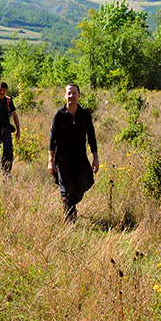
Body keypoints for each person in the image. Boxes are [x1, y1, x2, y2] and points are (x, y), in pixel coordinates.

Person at [48, 83, 99, 222]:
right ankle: (70, 218)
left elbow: (92, 137)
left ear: (79, 95)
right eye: (69, 93)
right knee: (66, 188)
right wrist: (51, 161)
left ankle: (69, 204)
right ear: (65, 95)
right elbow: (52, 139)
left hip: (80, 157)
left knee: (83, 185)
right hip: (63, 157)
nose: (71, 96)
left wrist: (95, 158)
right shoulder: (59, 115)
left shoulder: (85, 114)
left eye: (74, 93)